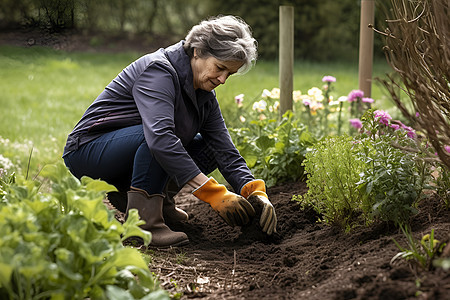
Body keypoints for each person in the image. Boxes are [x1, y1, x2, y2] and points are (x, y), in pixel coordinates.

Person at [62, 15, 277, 248]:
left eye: (230, 74)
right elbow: (160, 139)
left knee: (208, 146)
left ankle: (157, 204)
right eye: (220, 68)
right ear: (197, 51)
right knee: (160, 138)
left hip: (133, 150)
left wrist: (254, 192)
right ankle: (144, 226)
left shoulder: (204, 96)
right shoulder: (159, 71)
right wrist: (213, 193)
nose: (223, 79)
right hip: (89, 150)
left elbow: (225, 150)